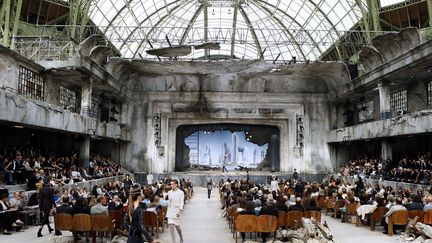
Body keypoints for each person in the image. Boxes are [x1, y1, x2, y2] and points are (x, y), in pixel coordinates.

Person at [167, 179, 184, 243]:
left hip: (177, 210)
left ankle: (181, 237)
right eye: (170, 184)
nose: (171, 185)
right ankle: (173, 241)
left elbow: (182, 202)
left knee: (177, 227)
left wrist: (180, 210)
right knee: (171, 226)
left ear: (176, 184)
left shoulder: (181, 192)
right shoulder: (169, 192)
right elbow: (169, 201)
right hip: (170, 210)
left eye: (172, 184)